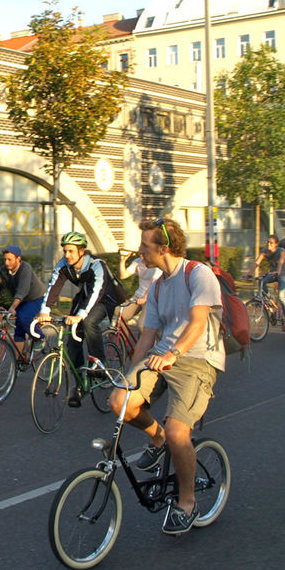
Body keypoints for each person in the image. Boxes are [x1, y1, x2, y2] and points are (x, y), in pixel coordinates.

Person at [109, 217, 224, 536]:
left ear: (163, 248)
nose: (140, 251)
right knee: (120, 400)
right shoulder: (158, 285)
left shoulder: (198, 274)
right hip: (160, 356)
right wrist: (127, 375)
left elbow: (197, 323)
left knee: (178, 433)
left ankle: (187, 502)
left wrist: (174, 353)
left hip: (198, 359)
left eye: (145, 246)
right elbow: (146, 337)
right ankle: (156, 437)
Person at [35, 231, 123, 407]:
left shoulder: (97, 265)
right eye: (65, 251)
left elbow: (96, 292)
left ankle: (100, 365)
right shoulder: (64, 265)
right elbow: (53, 286)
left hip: (106, 298)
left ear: (82, 251)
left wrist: (79, 316)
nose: (67, 255)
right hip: (84, 298)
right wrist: (45, 311)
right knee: (72, 340)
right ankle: (80, 386)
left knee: (89, 322)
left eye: (71, 251)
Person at [0, 245, 46, 362]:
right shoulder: (4, 271)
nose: (6, 262)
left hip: (37, 297)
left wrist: (12, 308)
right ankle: (18, 359)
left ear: (18, 259)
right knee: (18, 329)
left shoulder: (25, 268)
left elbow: (22, 291)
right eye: (5, 259)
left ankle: (40, 338)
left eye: (10, 259)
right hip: (23, 300)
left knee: (24, 317)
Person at [248, 234, 285, 331]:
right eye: (268, 242)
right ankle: (270, 301)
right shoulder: (264, 251)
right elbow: (256, 263)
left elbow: (281, 262)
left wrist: (278, 271)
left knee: (281, 296)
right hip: (274, 273)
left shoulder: (281, 250)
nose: (269, 244)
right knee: (262, 282)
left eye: (271, 243)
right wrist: (248, 274)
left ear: (276, 244)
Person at [118, 248, 160, 334]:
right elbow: (123, 275)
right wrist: (123, 261)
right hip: (138, 296)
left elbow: (154, 283)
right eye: (140, 253)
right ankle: (124, 345)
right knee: (121, 317)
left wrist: (145, 298)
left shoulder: (156, 265)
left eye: (144, 253)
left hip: (151, 298)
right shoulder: (137, 262)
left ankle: (152, 346)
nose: (141, 255)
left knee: (142, 326)